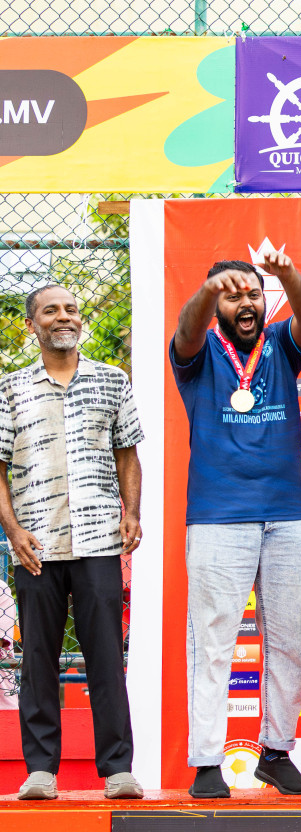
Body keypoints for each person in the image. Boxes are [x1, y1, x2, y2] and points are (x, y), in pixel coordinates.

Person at [171, 250, 301, 799]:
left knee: (288, 640)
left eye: (252, 294)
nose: (245, 302)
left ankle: (277, 752)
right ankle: (208, 762)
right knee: (212, 642)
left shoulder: (281, 345)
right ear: (216, 305)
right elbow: (187, 329)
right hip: (218, 516)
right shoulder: (197, 349)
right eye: (232, 295)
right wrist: (211, 289)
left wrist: (284, 274)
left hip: (286, 515)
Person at [2, 285, 144, 800]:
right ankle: (40, 770)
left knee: (106, 653)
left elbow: (128, 453)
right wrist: (14, 531)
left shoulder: (112, 381)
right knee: (37, 657)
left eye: (70, 309)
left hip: (99, 539)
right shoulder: (10, 388)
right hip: (36, 544)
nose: (63, 317)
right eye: (50, 311)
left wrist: (133, 512)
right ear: (31, 325)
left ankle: (117, 769)